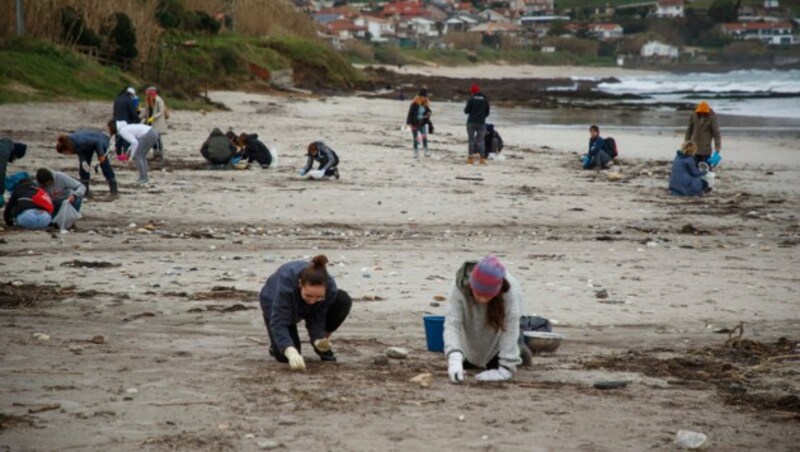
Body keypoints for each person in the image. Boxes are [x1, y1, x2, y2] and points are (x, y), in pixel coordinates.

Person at [259, 255, 352, 371]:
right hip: (273, 302)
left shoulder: (330, 289)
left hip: (302, 304)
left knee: (342, 300)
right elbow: (279, 322)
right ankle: (277, 344)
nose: (312, 301)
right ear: (300, 284)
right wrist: (290, 350)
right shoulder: (286, 286)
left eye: (318, 296)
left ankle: (322, 346)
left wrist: (318, 338)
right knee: (285, 356)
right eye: (308, 295)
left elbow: (318, 316)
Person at [444, 256, 523, 383]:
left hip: (496, 340)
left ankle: (519, 349)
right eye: (478, 294)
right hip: (469, 342)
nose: (481, 300)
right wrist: (454, 357)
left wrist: (505, 368)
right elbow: (452, 324)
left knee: (511, 354)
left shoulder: (510, 290)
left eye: (487, 296)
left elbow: (510, 327)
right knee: (464, 364)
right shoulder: (459, 286)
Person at [56, 130, 118, 199]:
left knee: (104, 164)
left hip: (101, 140)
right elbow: (81, 154)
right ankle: (86, 191)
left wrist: (101, 154)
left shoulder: (80, 141)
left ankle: (114, 191)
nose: (67, 154)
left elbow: (97, 142)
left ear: (66, 149)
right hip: (88, 146)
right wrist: (84, 163)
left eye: (65, 153)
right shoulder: (71, 143)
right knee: (84, 166)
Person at [108, 120, 160, 185]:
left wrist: (131, 157)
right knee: (142, 155)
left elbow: (135, 142)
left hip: (148, 134)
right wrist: (129, 151)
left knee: (138, 156)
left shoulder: (123, 131)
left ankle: (143, 177)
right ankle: (144, 176)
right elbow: (135, 141)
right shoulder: (125, 127)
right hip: (152, 132)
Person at [684, 101, 721, 165]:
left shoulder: (712, 117)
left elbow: (716, 133)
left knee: (706, 169)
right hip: (693, 147)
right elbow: (689, 130)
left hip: (705, 149)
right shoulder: (693, 115)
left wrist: (717, 149)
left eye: (704, 112)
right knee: (693, 168)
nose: (702, 113)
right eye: (700, 112)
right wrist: (686, 144)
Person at [464, 83, 490, 164]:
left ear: (472, 92)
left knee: (471, 140)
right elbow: (487, 112)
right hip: (481, 122)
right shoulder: (485, 100)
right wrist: (482, 117)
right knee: (481, 141)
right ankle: (482, 159)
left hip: (471, 122)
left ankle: (470, 158)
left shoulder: (471, 99)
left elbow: (466, 111)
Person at [112, 87, 140, 158]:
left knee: (118, 139)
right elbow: (133, 113)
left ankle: (118, 154)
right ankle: (125, 155)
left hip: (117, 122)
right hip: (126, 123)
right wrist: (138, 119)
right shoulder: (128, 100)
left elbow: (115, 112)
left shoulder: (117, 99)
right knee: (126, 139)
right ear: (131, 94)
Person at [405, 88, 432, 159]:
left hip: (422, 124)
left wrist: (428, 115)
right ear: (420, 96)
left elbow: (429, 112)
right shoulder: (414, 104)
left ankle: (426, 151)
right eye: (424, 97)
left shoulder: (425, 104)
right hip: (414, 123)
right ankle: (415, 152)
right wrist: (408, 123)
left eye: (426, 97)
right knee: (416, 138)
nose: (425, 98)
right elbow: (410, 113)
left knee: (424, 137)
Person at [0, 138, 27, 207]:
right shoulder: (3, 152)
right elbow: (1, 173)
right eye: (14, 158)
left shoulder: (4, 146)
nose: (12, 160)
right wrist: (1, 192)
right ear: (14, 153)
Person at [143, 87, 168, 161]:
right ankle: (155, 153)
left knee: (158, 139)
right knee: (152, 138)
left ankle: (160, 154)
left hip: (157, 123)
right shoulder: (148, 100)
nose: (147, 95)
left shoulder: (159, 100)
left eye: (148, 93)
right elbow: (146, 111)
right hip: (150, 122)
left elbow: (161, 112)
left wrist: (153, 117)